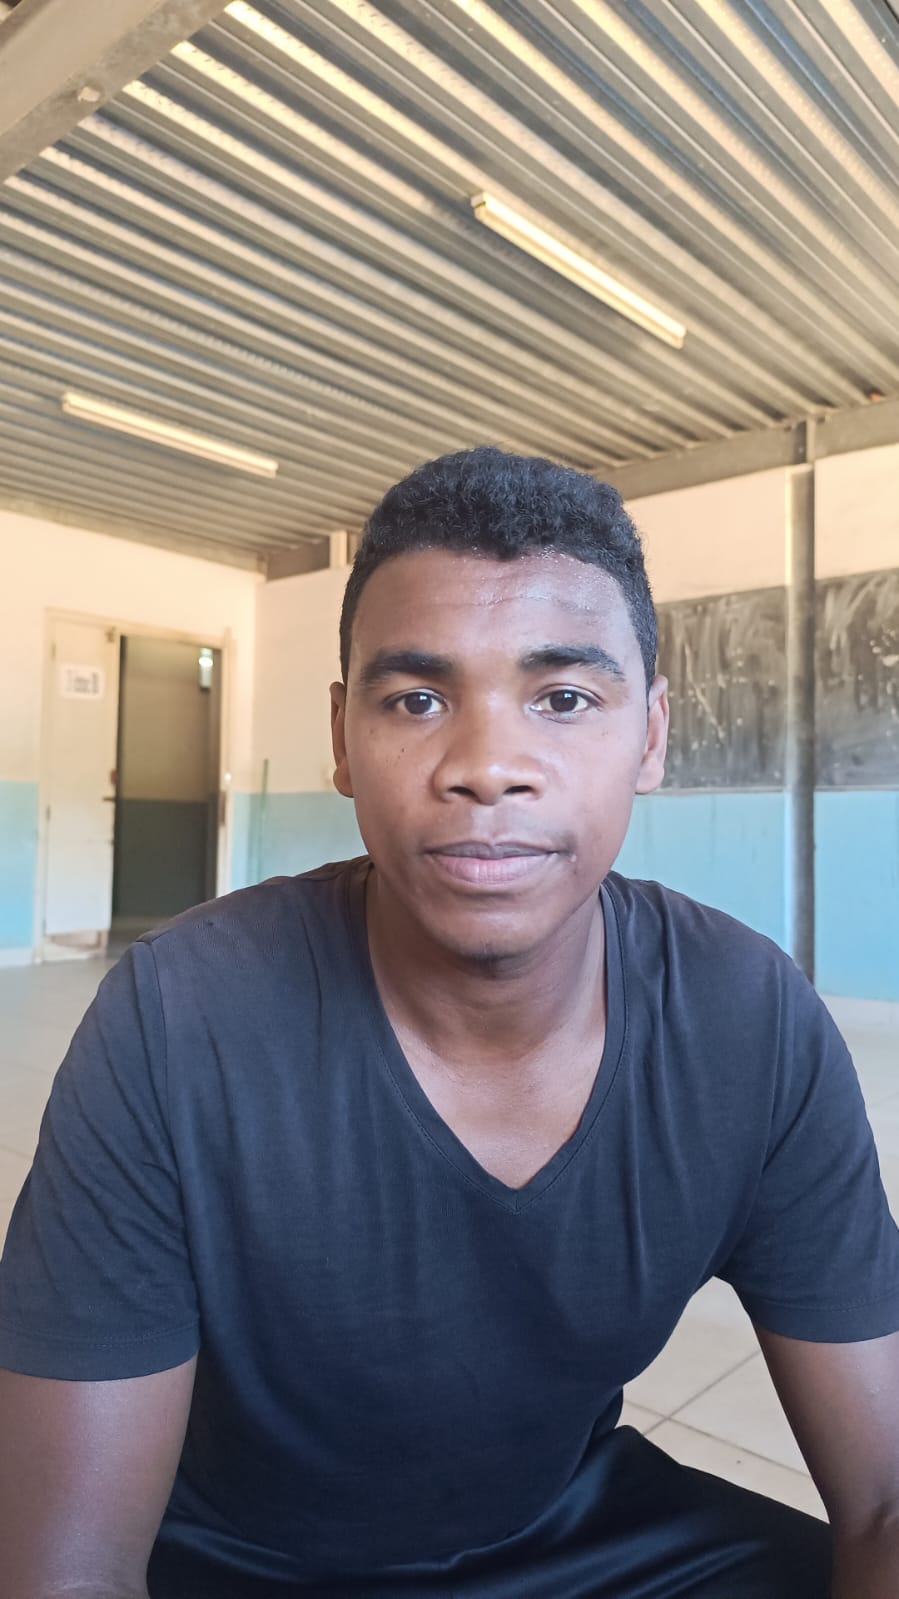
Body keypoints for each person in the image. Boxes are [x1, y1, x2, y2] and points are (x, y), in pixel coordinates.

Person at [1, 447, 898, 1599]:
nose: (486, 767)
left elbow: (881, 1500)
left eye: (562, 698)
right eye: (415, 699)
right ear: (341, 737)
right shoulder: (176, 1021)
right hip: (233, 1563)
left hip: (573, 1534)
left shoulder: (750, 1022)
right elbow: (70, 1572)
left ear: (650, 735)